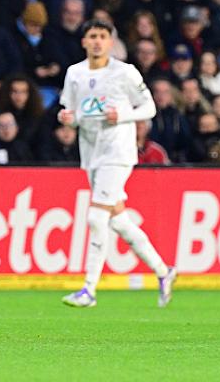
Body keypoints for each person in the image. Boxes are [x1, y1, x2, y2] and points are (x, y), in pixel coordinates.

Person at [58, 20, 177, 308]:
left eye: (102, 36)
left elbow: (148, 107)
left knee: (96, 218)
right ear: (84, 41)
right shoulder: (75, 73)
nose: (97, 41)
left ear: (111, 42)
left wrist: (122, 115)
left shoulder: (125, 72)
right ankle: (164, 271)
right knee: (119, 221)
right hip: (90, 153)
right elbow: (72, 111)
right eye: (92, 36)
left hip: (118, 152)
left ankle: (88, 290)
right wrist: (67, 118)